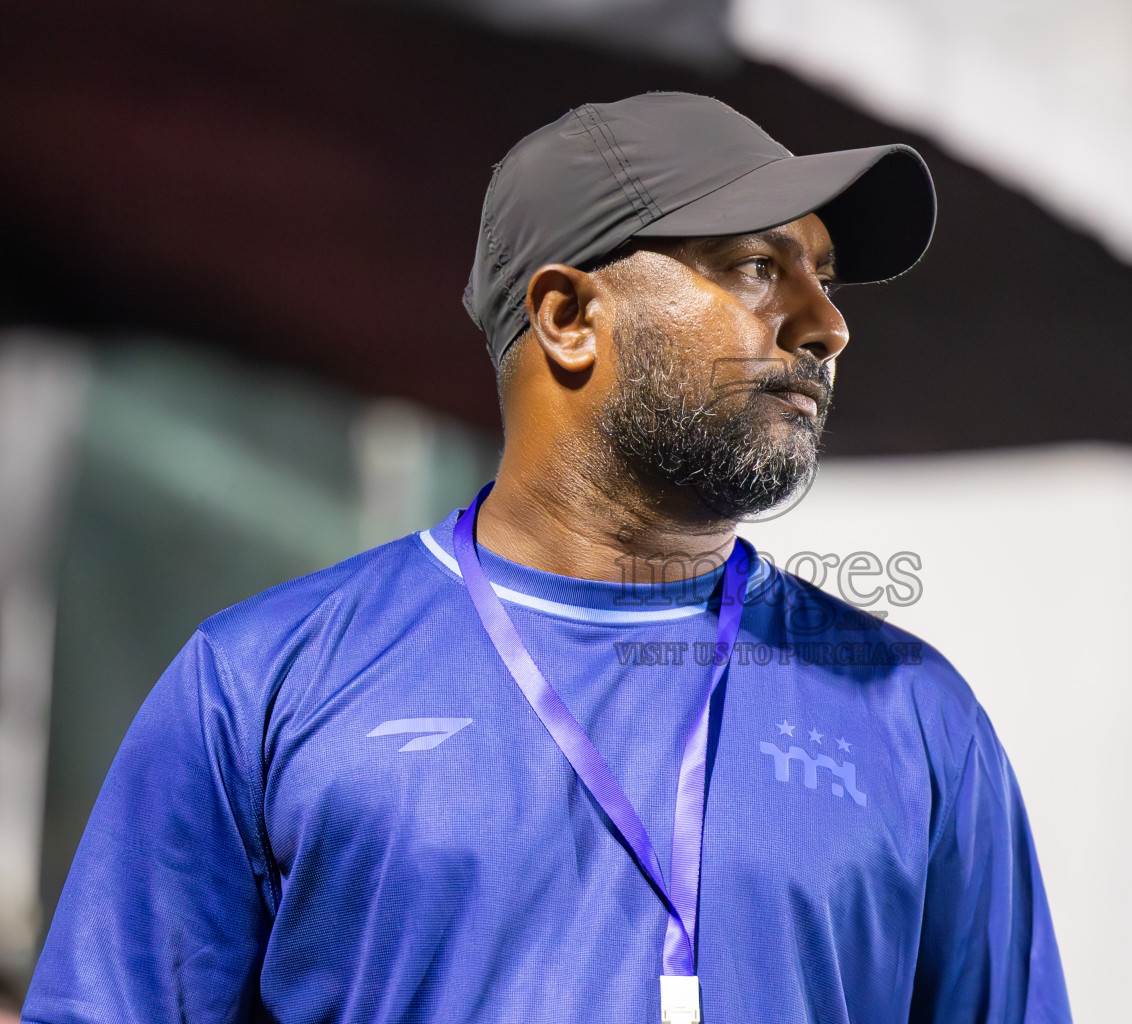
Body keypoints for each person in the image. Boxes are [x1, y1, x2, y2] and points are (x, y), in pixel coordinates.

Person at [23, 92, 1070, 1024]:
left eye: (826, 279)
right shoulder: (258, 686)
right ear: (569, 316)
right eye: (758, 267)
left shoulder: (915, 717)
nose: (827, 325)